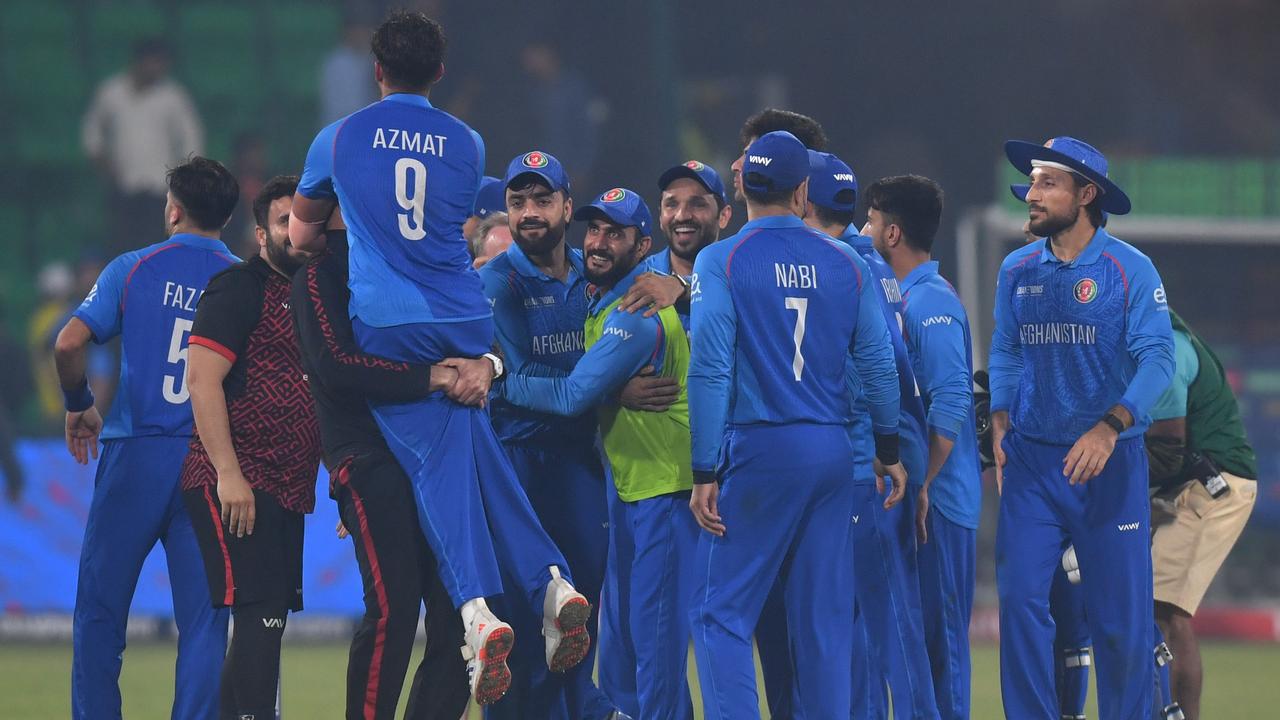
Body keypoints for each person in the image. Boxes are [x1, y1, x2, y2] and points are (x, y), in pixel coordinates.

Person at [288, 11, 591, 704]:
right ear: (441, 72)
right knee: (469, 445)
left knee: (438, 470)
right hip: (462, 314)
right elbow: (456, 218)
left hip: (392, 324)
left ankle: (476, 612)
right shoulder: (467, 140)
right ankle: (550, 583)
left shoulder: (338, 139)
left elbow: (304, 233)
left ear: (376, 70)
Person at [687, 130, 907, 719]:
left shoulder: (722, 258)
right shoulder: (845, 262)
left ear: (744, 184)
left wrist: (704, 466)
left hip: (760, 449)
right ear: (802, 191)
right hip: (833, 451)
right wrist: (887, 446)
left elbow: (709, 368)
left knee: (720, 613)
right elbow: (880, 364)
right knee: (825, 623)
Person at [990, 136, 1174, 719]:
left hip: (1110, 465)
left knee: (1120, 622)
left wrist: (1109, 426)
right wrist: (999, 421)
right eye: (1033, 182)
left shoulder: (1130, 269)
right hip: (1033, 466)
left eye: (1047, 183)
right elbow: (1006, 351)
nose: (1031, 194)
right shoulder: (1017, 268)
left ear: (1087, 194)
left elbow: (1159, 361)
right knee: (1019, 605)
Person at [497, 186, 696, 720]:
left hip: (664, 492)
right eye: (595, 231)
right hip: (631, 491)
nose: (600, 244)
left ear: (642, 246)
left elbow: (568, 396)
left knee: (653, 652)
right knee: (626, 647)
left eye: (616, 234)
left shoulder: (632, 313)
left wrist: (495, 376)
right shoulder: (605, 295)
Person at [54, 156, 238, 720]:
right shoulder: (241, 279)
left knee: (100, 615)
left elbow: (67, 344)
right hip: (208, 461)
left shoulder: (132, 268)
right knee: (206, 622)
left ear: (174, 209)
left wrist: (80, 404)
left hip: (135, 454)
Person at [292, 211, 483, 720]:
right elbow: (334, 365)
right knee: (394, 609)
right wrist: (433, 378)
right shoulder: (320, 274)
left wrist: (489, 364)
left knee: (459, 616)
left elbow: (473, 339)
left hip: (434, 454)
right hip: (367, 455)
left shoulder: (407, 263)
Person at [178, 175, 319, 720]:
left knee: (269, 620)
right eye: (283, 221)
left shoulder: (315, 296)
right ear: (261, 235)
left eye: (303, 220)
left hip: (288, 485)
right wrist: (229, 475)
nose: (294, 231)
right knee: (260, 615)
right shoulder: (240, 288)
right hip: (240, 480)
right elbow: (202, 380)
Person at [805, 153, 938, 720]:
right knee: (862, 629)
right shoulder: (874, 270)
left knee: (885, 629)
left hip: (859, 469)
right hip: (870, 465)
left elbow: (885, 372)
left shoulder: (834, 269)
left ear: (801, 199)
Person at [867, 174, 982, 720]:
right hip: (923, 499)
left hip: (941, 506)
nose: (863, 229)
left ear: (891, 232)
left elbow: (953, 402)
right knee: (917, 648)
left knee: (941, 653)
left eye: (869, 221)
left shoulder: (929, 303)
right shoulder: (903, 299)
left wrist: (923, 484)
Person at [1147, 309, 1257, 720]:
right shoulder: (1161, 340)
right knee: (1150, 606)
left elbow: (1166, 450)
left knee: (1166, 609)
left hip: (1213, 486)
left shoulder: (1168, 349)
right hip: (1188, 484)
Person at [81, 38, 204, 256]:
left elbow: (191, 141)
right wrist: (104, 165)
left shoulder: (173, 97)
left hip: (160, 192)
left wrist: (181, 180)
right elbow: (92, 135)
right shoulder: (112, 92)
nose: (158, 68)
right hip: (121, 189)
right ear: (140, 61)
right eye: (155, 62)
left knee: (155, 251)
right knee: (121, 250)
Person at [320, 16, 379, 126]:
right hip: (341, 126)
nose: (362, 36)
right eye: (358, 32)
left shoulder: (371, 59)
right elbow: (336, 106)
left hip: (367, 124)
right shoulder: (336, 63)